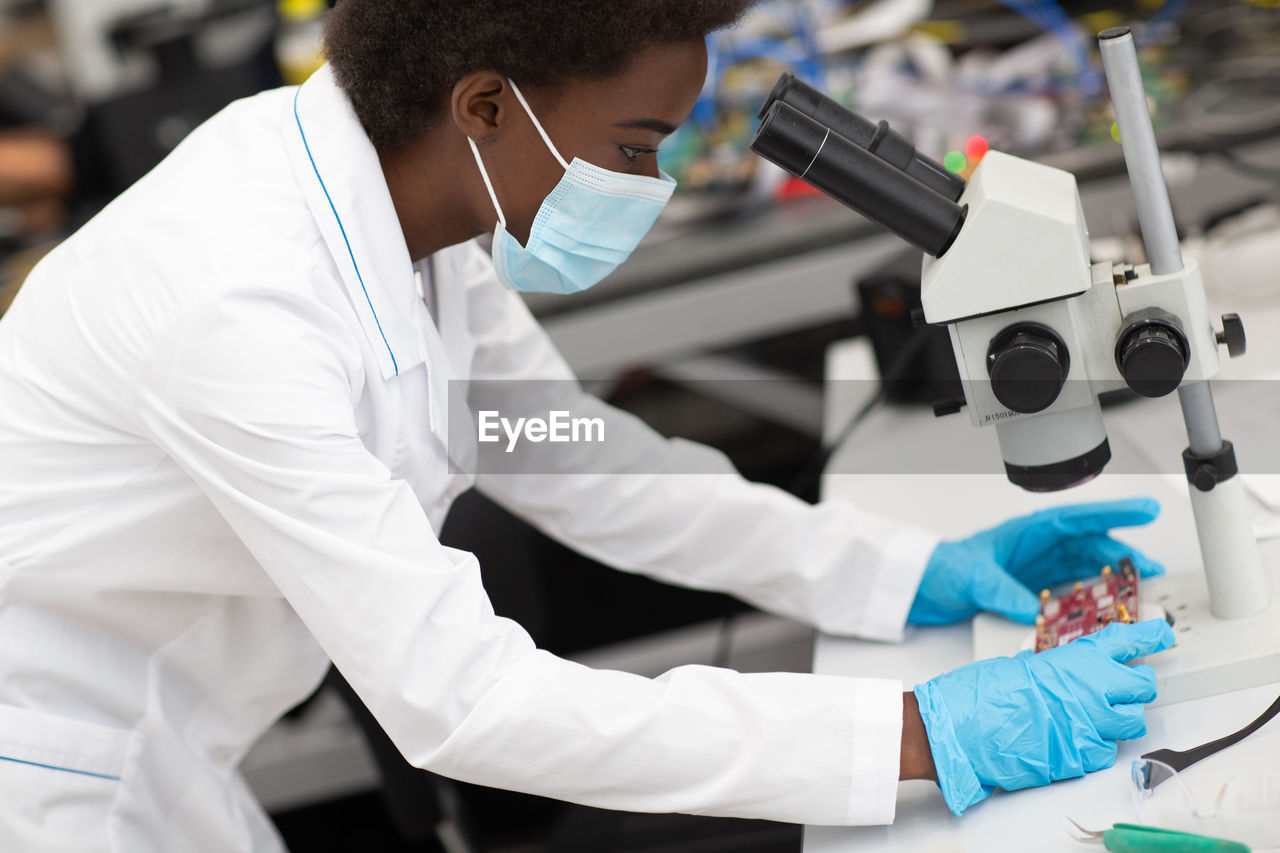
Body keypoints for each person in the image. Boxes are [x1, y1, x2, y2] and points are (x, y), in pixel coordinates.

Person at [0, 2, 1176, 850]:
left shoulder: (413, 219)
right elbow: (467, 703)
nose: (652, 185)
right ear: (485, 105)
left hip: (167, 747)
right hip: (51, 784)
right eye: (633, 147)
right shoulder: (238, 298)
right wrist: (923, 734)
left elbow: (580, 461)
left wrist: (906, 567)